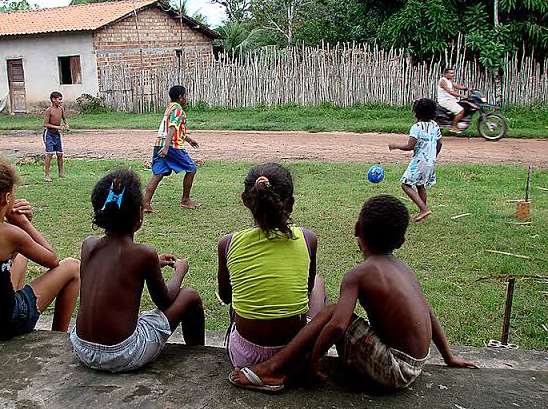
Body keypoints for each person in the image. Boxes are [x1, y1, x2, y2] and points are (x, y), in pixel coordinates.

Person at [229, 194, 478, 393]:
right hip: (415, 364)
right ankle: (284, 363)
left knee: (334, 310)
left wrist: (313, 360)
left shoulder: (358, 274)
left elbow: (338, 325)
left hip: (394, 369)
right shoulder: (405, 270)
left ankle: (272, 367)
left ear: (357, 228)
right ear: (401, 240)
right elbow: (429, 314)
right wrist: (448, 356)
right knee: (335, 312)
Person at [70, 168, 205, 372]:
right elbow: (165, 300)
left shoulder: (88, 245)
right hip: (121, 353)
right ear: (139, 215)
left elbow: (110, 273)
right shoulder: (143, 254)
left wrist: (150, 265)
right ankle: (200, 357)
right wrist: (180, 270)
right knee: (190, 296)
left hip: (81, 347)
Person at [0, 158, 80, 339]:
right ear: (6, 197)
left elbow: (1, 253)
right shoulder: (11, 234)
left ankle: (13, 303)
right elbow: (52, 260)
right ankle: (57, 337)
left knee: (20, 257)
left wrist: (15, 224)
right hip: (1, 323)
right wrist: (23, 223)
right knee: (72, 266)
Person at [217, 163, 327, 370]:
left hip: (244, 358)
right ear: (291, 203)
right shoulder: (307, 238)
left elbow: (226, 297)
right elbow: (308, 288)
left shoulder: (228, 243)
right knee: (318, 283)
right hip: (293, 355)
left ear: (245, 200)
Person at [143, 85, 199, 212]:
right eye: (185, 95)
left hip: (159, 144)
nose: (186, 98)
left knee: (158, 173)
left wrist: (189, 140)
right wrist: (167, 147)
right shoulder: (178, 110)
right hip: (172, 146)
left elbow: (174, 129)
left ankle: (145, 204)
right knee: (191, 169)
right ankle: (185, 200)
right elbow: (172, 128)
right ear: (180, 97)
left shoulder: (170, 108)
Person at [389, 98, 442, 223]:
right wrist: (433, 156)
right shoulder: (435, 126)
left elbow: (410, 146)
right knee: (420, 185)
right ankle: (422, 211)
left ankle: (423, 209)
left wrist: (395, 145)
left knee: (405, 184)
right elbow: (439, 144)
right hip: (431, 162)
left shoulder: (416, 127)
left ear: (415, 112)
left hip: (419, 162)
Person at [43, 91, 69, 182]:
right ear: (53, 100)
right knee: (49, 154)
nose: (60, 101)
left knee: (60, 154)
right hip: (49, 134)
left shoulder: (61, 109)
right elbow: (46, 124)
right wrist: (58, 127)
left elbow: (64, 118)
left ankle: (61, 173)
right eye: (59, 99)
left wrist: (66, 125)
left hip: (56, 134)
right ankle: (46, 175)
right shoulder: (48, 110)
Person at [437, 68, 469, 133]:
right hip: (445, 101)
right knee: (461, 111)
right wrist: (461, 96)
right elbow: (450, 92)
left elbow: (456, 85)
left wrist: (467, 88)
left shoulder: (449, 81)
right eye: (451, 73)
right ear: (445, 74)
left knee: (465, 105)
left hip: (451, 100)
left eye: (453, 73)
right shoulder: (442, 81)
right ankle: (454, 127)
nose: (453, 75)